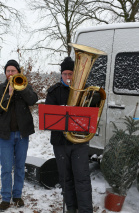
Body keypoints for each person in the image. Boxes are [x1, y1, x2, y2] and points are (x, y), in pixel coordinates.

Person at [45, 57, 93, 213]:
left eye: (71, 74)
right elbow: (49, 116)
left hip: (79, 142)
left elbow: (92, 115)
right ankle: (71, 209)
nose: (68, 77)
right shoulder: (53, 92)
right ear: (61, 74)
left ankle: (85, 210)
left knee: (82, 178)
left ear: (75, 74)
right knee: (66, 179)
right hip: (60, 142)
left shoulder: (86, 91)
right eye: (65, 74)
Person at [0, 60, 38, 211]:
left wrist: (21, 88)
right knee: (6, 167)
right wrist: (8, 94)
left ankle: (17, 196)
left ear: (18, 72)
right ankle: (5, 198)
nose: (10, 74)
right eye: (8, 71)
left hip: (22, 134)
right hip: (6, 135)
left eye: (13, 71)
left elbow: (33, 100)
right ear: (5, 73)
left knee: (19, 166)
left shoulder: (25, 86)